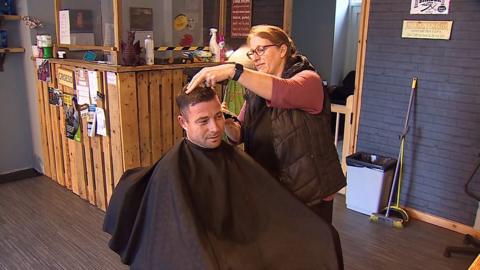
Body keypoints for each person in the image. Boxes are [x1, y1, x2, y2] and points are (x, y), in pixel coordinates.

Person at [103, 87, 342, 270]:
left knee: (323, 237)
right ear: (182, 123)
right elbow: (180, 235)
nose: (215, 128)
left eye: (218, 116)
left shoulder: (233, 159)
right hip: (199, 246)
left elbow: (265, 206)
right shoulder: (172, 171)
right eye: (203, 121)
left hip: (239, 239)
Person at [186, 25, 346, 224]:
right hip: (271, 189)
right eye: (253, 52)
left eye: (262, 49)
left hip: (309, 192)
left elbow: (283, 91)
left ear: (282, 50)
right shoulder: (255, 90)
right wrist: (226, 119)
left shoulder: (308, 80)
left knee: (309, 252)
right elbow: (238, 134)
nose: (255, 57)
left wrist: (231, 70)